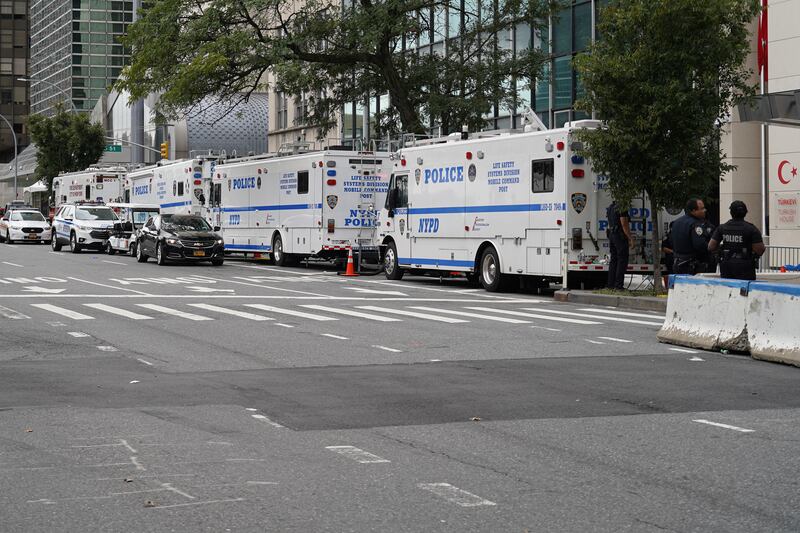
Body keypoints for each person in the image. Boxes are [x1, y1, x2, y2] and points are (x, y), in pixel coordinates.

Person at [708, 200, 765, 280]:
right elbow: (760, 250)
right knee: (744, 291)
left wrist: (720, 250)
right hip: (745, 266)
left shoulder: (722, 228)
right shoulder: (751, 229)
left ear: (731, 213)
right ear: (745, 212)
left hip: (727, 265)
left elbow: (711, 246)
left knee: (728, 289)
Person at [671, 198, 708, 275]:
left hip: (677, 262)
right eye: (702, 208)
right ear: (694, 210)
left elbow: (671, 242)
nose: (705, 210)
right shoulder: (695, 224)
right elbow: (700, 245)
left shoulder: (676, 222)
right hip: (691, 266)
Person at [606, 200, 633, 290]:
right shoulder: (622, 207)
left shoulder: (610, 207)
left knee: (613, 260)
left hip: (612, 235)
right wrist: (630, 238)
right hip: (620, 236)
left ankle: (610, 285)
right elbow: (624, 224)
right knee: (622, 260)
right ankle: (618, 286)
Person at [661, 221, 674, 287]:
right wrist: (673, 252)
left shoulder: (680, 236)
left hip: (678, 258)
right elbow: (663, 248)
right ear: (671, 228)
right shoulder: (667, 236)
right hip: (670, 258)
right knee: (671, 273)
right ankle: (671, 287)